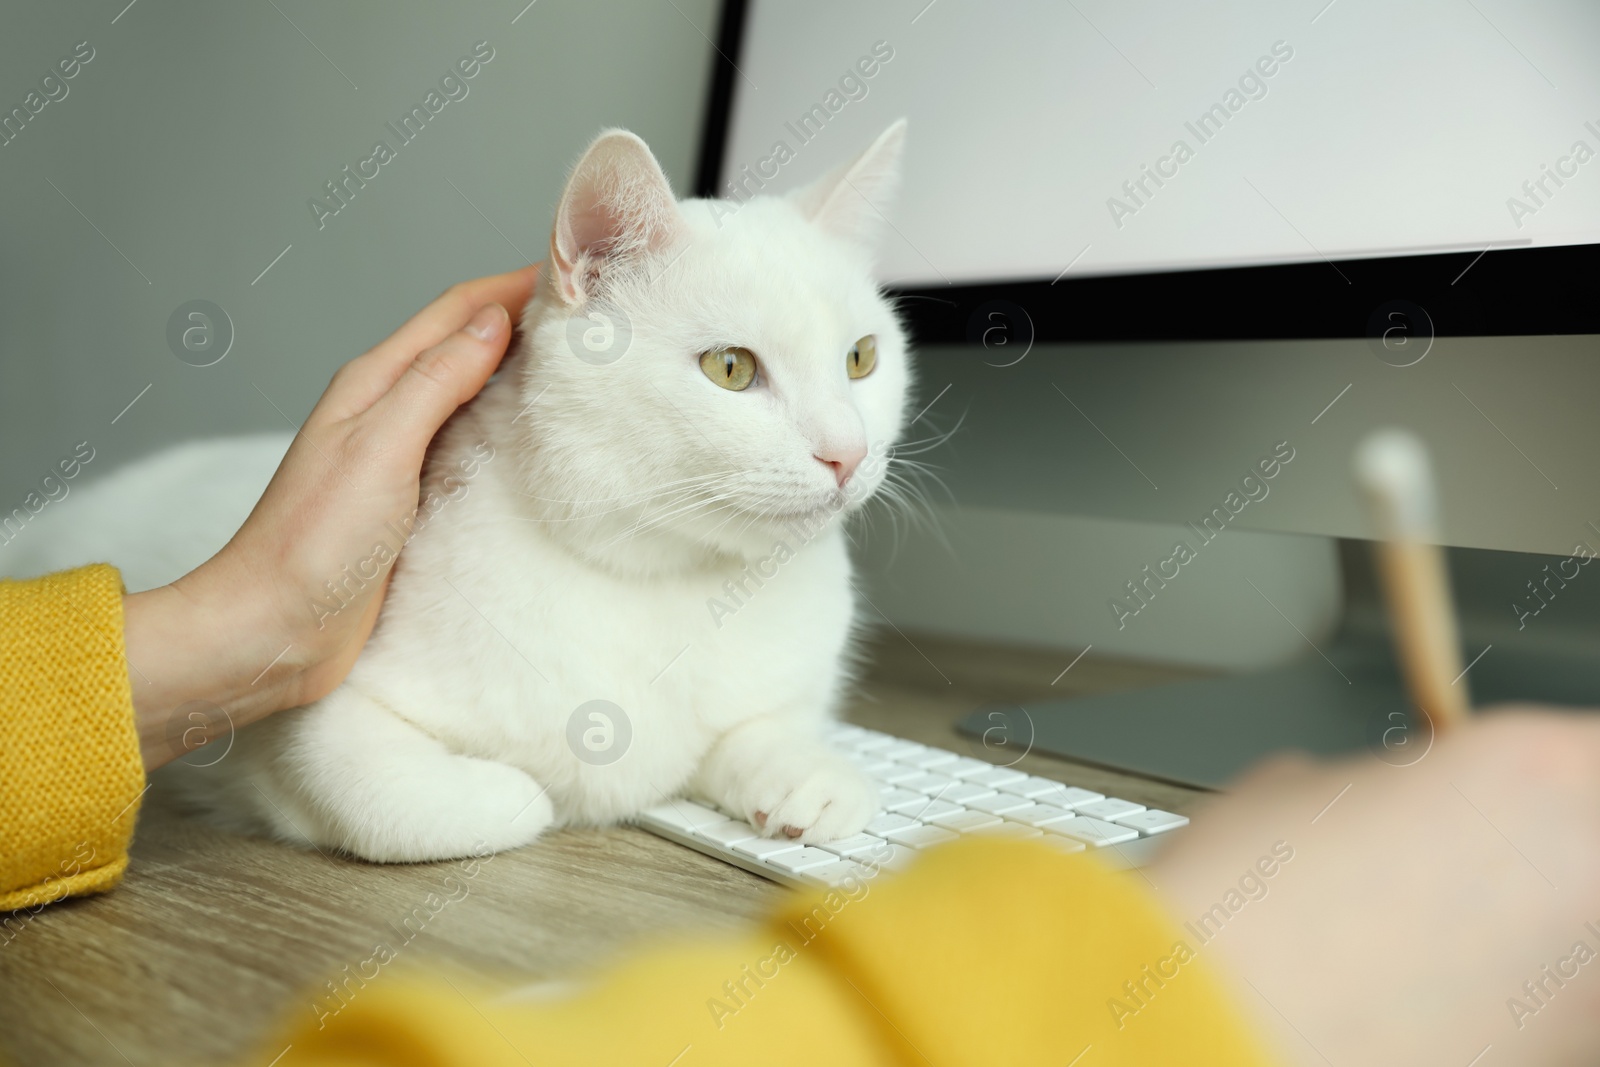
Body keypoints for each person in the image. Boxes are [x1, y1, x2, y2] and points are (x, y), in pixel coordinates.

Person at [4, 266, 1599, 1066]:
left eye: (856, 360)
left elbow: (736, 717)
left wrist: (753, 751)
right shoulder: (468, 568)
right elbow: (359, 755)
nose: (840, 443)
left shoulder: (789, 579)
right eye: (735, 371)